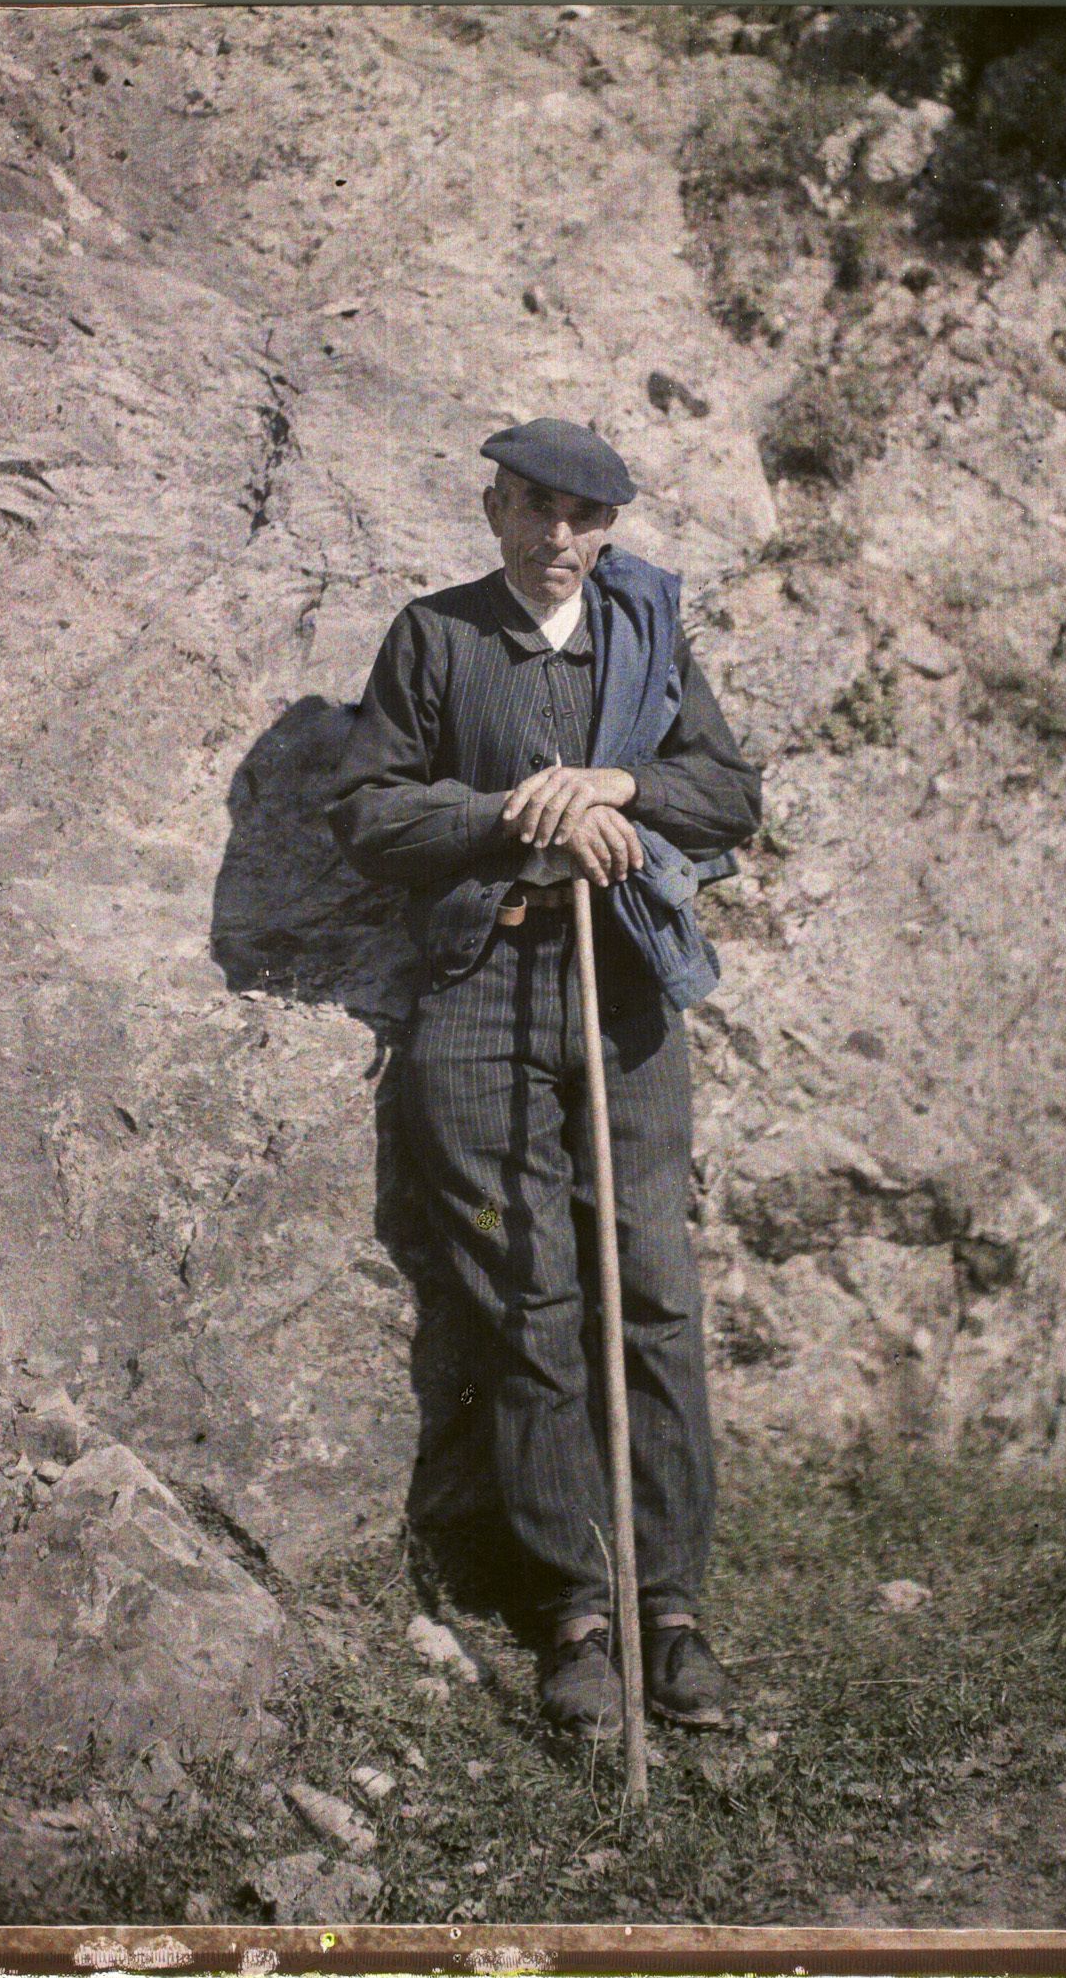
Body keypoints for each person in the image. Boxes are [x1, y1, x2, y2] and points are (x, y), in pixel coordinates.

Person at [327, 417, 761, 1738]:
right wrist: (519, 813)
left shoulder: (646, 630)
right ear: (495, 507)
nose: (561, 542)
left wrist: (617, 786)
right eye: (538, 513)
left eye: (586, 519)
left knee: (652, 1289)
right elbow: (371, 815)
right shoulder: (437, 636)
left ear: (610, 526)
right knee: (528, 1295)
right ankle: (578, 1614)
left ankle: (671, 1612)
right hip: (480, 991)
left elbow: (728, 793)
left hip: (622, 992)